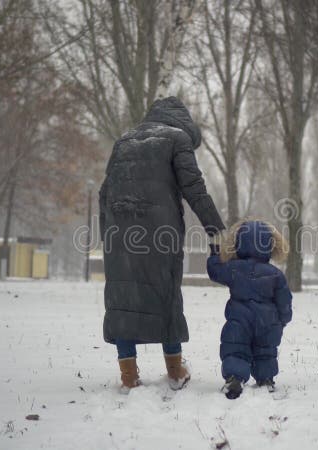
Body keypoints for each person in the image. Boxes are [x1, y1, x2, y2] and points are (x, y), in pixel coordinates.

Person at [99, 97, 225, 392]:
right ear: (184, 122)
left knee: (123, 299)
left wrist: (109, 233)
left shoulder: (124, 141)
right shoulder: (177, 139)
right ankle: (175, 369)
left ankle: (128, 375)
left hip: (120, 233)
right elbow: (195, 190)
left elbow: (104, 193)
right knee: (166, 294)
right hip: (160, 233)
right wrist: (218, 234)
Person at [207, 220, 293, 399]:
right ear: (270, 245)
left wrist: (216, 250)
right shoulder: (275, 274)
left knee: (236, 348)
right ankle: (265, 378)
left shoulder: (233, 269)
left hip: (239, 321)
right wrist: (283, 320)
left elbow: (215, 271)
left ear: (238, 244)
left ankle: (235, 378)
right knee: (265, 351)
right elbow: (284, 301)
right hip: (268, 323)